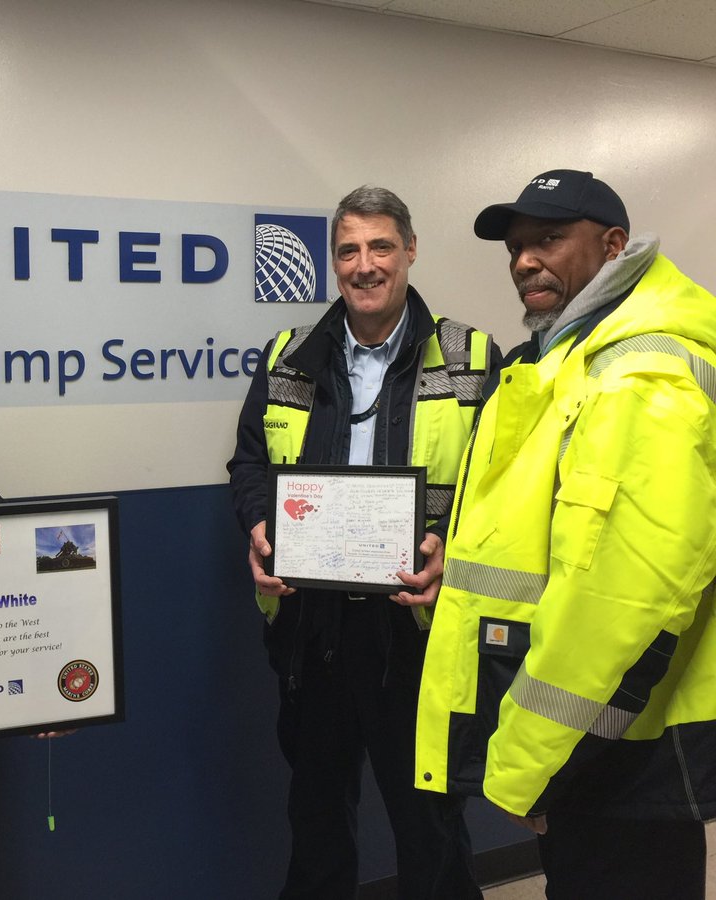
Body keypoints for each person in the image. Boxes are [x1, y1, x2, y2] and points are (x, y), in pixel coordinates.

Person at [414, 169, 716, 899]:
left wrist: (529, 762)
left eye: (548, 239)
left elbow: (620, 602)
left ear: (614, 246)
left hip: (616, 739)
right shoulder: (560, 359)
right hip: (597, 737)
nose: (524, 260)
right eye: (516, 247)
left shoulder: (638, 375)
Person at [228, 186, 498, 899]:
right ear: (333, 262)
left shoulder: (471, 358)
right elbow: (250, 461)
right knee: (315, 816)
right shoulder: (289, 357)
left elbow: (501, 487)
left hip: (417, 626)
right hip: (311, 627)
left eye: (381, 246)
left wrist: (454, 551)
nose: (365, 264)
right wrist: (260, 525)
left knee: (429, 823)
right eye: (348, 249)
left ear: (410, 250)